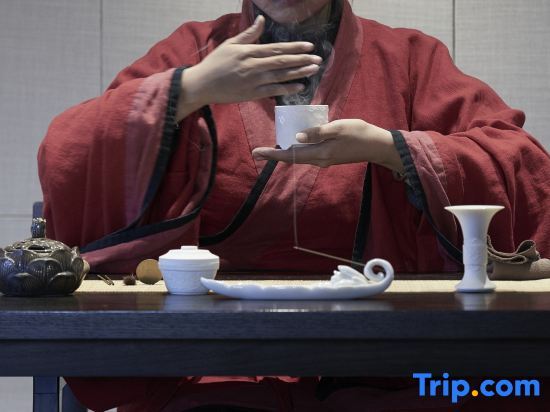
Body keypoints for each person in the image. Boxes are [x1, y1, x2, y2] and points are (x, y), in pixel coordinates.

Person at [38, 0, 550, 410]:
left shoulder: (408, 59)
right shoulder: (197, 50)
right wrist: (190, 89)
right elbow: (68, 147)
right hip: (212, 355)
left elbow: (520, 161)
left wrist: (389, 148)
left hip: (379, 350)